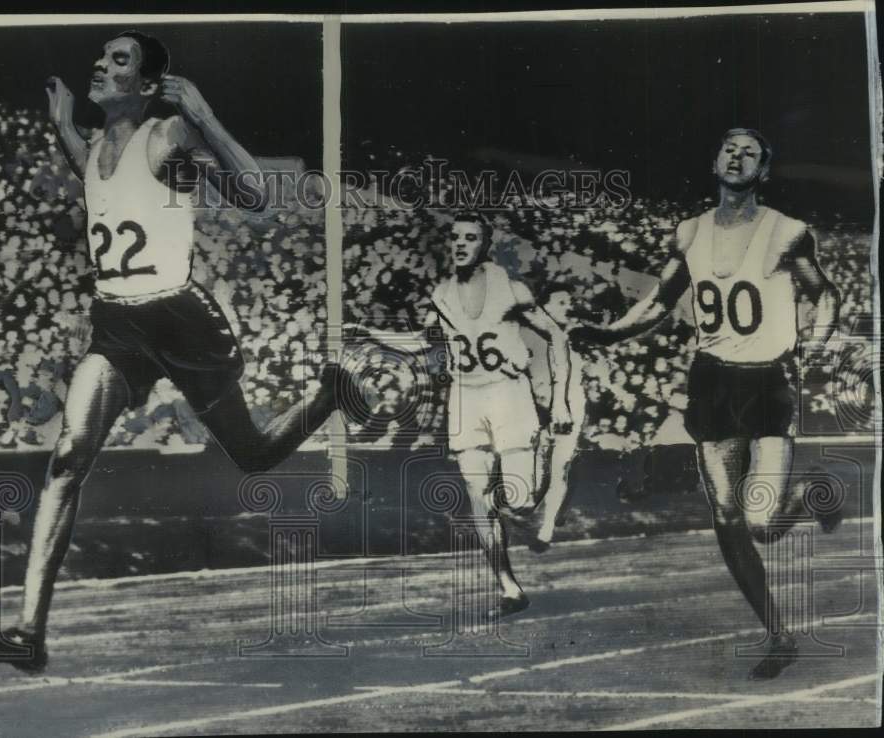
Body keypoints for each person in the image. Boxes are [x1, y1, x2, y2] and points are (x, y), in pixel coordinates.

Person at [0, 31, 358, 672]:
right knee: (68, 458)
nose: (99, 62)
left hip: (178, 318)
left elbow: (257, 195)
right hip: (117, 325)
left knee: (253, 455)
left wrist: (205, 115)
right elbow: (85, 166)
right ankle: (28, 631)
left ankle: (326, 395)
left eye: (118, 59)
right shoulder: (95, 146)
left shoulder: (169, 134)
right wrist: (61, 122)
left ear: (147, 85)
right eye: (100, 54)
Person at [571, 128, 841, 680]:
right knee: (725, 516)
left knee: (764, 523)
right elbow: (659, 303)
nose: (737, 156)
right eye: (728, 148)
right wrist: (607, 334)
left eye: (751, 152)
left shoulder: (786, 232)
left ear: (764, 171)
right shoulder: (689, 232)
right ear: (714, 161)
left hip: (766, 381)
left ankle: (813, 489)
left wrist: (813, 345)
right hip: (713, 380)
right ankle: (779, 634)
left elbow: (825, 294)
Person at [353, 211, 571, 618]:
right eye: (455, 237)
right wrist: (369, 334)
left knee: (519, 502)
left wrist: (559, 402)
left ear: (484, 244)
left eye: (470, 238)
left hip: (508, 395)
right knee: (478, 500)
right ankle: (509, 588)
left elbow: (556, 334)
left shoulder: (511, 289)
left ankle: (539, 458)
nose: (460, 244)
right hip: (466, 399)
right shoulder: (441, 293)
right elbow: (422, 341)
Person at [528, 282, 585, 552]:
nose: (568, 307)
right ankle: (529, 509)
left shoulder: (575, 334)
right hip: (537, 410)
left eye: (568, 302)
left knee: (560, 467)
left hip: (570, 408)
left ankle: (547, 528)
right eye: (561, 303)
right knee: (538, 469)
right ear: (544, 307)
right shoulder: (529, 335)